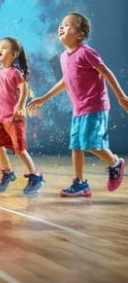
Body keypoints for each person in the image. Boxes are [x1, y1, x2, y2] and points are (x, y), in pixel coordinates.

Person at [28, 13, 128, 197]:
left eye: (67, 25)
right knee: (76, 145)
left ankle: (115, 163)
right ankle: (80, 183)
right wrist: (43, 98)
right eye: (61, 24)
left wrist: (121, 96)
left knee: (90, 143)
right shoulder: (64, 57)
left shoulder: (86, 52)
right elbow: (66, 80)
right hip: (79, 108)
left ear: (80, 34)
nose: (61, 27)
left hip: (95, 105)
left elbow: (106, 72)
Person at [0, 38, 43, 195]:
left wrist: (20, 106)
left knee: (19, 149)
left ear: (13, 54)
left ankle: (35, 176)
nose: (0, 49)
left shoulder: (15, 73)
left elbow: (24, 88)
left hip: (13, 118)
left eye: (4, 47)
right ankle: (8, 172)